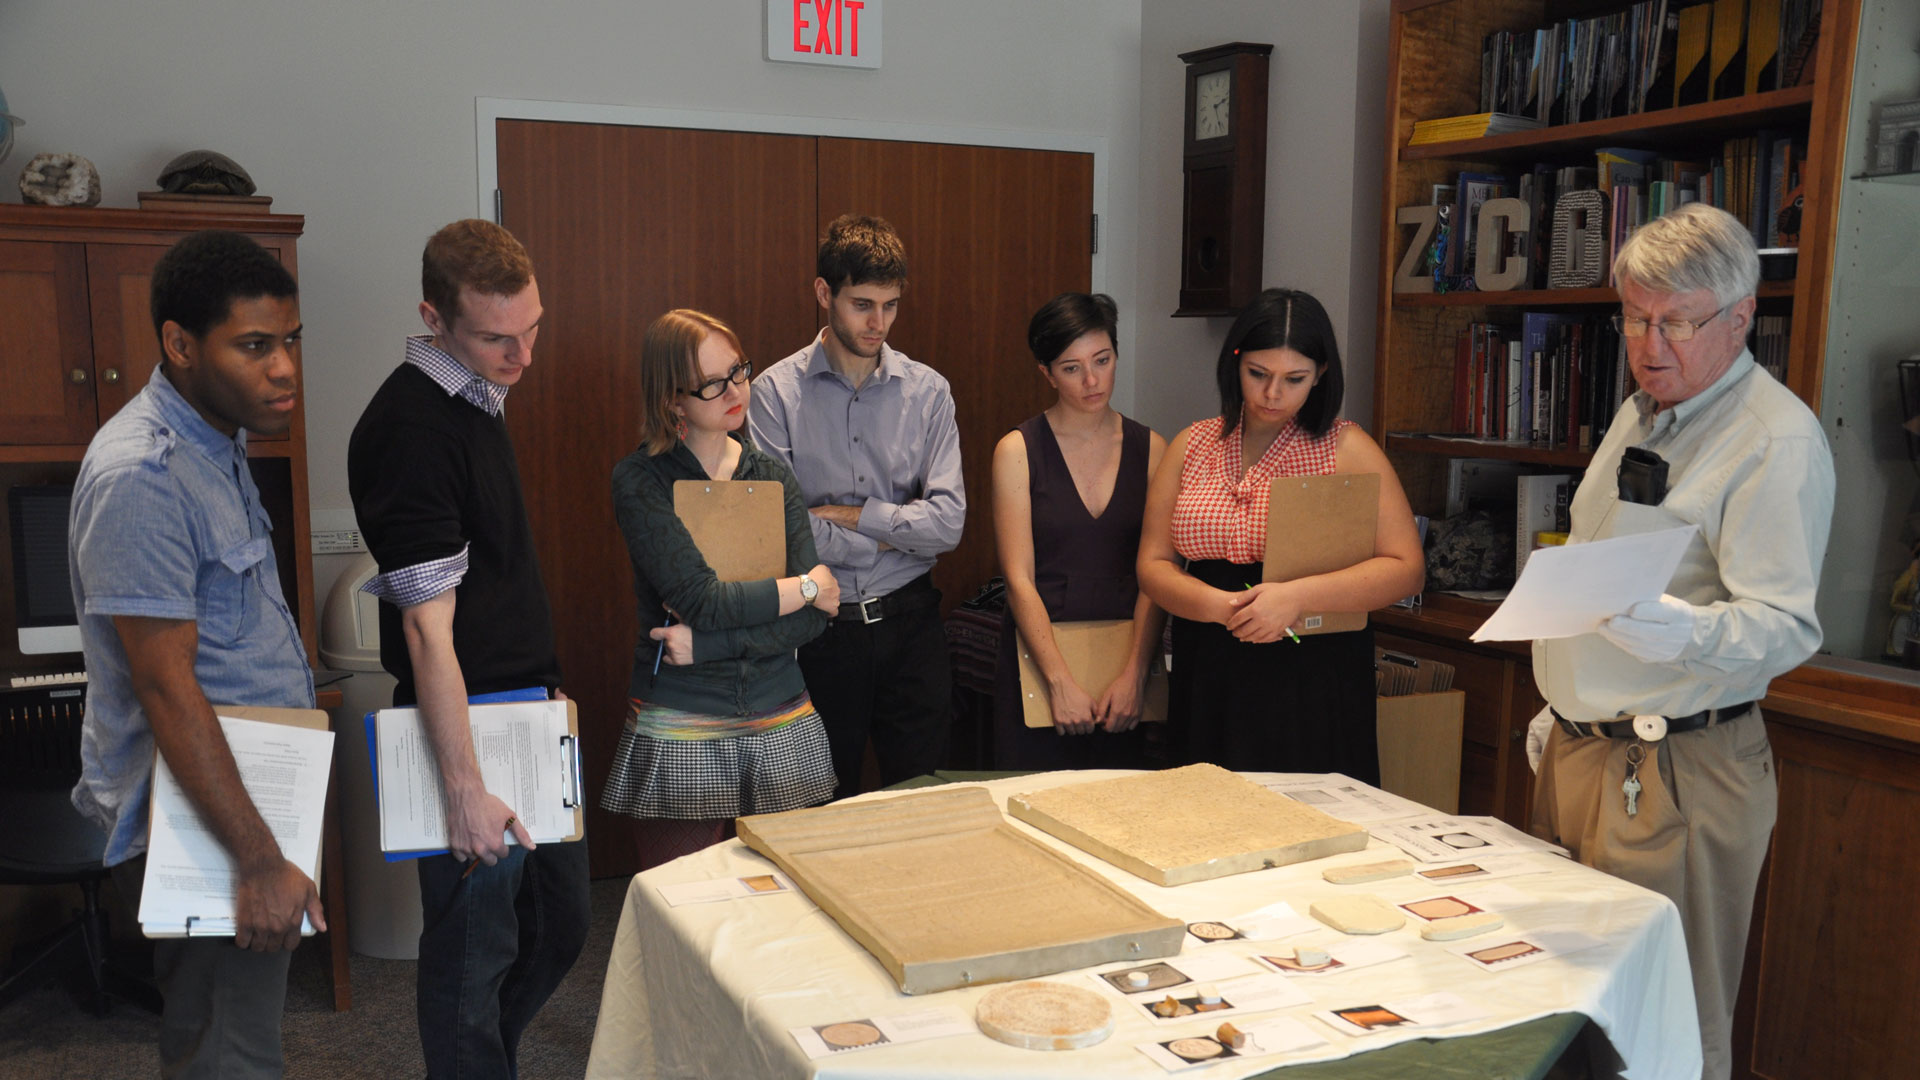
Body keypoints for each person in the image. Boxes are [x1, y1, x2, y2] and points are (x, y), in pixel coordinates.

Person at [1526, 203, 1835, 1080]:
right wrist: (1565, 702)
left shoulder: (1775, 441)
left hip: (1676, 772)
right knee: (1567, 1012)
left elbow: (1786, 624)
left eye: (1676, 322)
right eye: (1635, 316)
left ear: (1740, 319)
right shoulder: (1644, 411)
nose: (1649, 343)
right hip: (1585, 753)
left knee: (1662, 1029)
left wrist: (1687, 633)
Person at [69, 229, 319, 1077]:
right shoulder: (144, 473)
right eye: (255, 346)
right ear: (179, 344)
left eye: (289, 341)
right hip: (206, 823)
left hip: (247, 791)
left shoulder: (219, 437)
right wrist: (257, 859)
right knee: (228, 1053)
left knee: (233, 1036)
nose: (283, 368)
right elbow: (167, 688)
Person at [346, 219, 589, 1079]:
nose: (521, 353)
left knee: (561, 926)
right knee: (470, 955)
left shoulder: (476, 397)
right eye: (496, 336)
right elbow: (425, 629)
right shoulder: (413, 428)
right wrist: (463, 789)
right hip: (470, 730)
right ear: (433, 316)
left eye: (532, 327)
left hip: (524, 711)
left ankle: (489, 1062)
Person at [1137, 288, 1424, 782]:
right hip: (1209, 653)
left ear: (1321, 375)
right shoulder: (1193, 443)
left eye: (1295, 379)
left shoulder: (1346, 447)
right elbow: (1154, 564)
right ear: (1235, 363)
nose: (1273, 394)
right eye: (1258, 375)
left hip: (1309, 660)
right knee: (1205, 815)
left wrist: (1297, 598)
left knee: (1307, 813)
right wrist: (1225, 609)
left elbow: (1406, 568)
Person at [601, 309, 842, 868]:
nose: (735, 391)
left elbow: (812, 623)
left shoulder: (772, 477)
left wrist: (706, 644)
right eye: (712, 384)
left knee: (788, 903)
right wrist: (804, 587)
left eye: (738, 371)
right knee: (683, 905)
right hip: (685, 716)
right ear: (672, 401)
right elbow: (701, 599)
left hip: (781, 712)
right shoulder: (641, 480)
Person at [749, 214, 965, 795]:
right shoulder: (773, 394)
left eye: (890, 306)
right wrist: (898, 528)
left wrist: (849, 515)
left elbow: (947, 525)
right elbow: (785, 531)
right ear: (825, 293)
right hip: (820, 631)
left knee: (923, 805)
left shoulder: (929, 392)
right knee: (819, 811)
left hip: (912, 623)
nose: (879, 323)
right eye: (862, 304)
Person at [990, 292, 1167, 769]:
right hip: (1040, 661)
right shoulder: (1017, 451)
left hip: (1123, 666)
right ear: (1046, 373)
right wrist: (1059, 682)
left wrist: (1135, 674)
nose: (1092, 381)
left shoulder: (1152, 449)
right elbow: (1018, 578)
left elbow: (1158, 573)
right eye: (1071, 368)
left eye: (1102, 360)